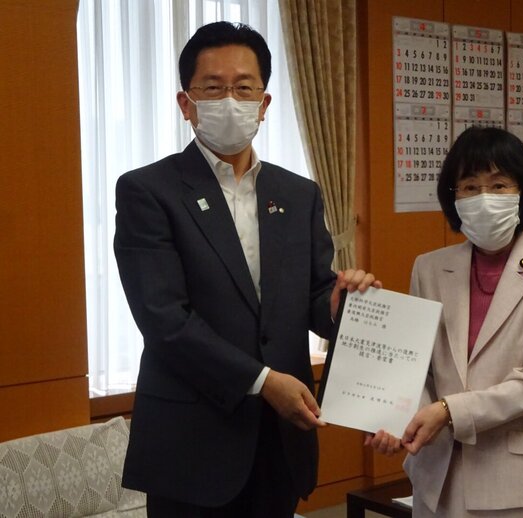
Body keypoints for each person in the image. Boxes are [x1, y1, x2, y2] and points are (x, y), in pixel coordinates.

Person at [114, 21, 380, 518]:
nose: (230, 100)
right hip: (192, 445)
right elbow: (164, 319)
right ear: (185, 103)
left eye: (244, 87)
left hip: (282, 441)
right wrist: (263, 381)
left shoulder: (298, 193)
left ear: (265, 102)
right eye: (212, 88)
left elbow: (315, 298)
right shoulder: (148, 191)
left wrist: (345, 302)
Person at [367, 126, 523, 517]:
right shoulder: (429, 267)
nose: (483, 198)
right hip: (437, 473)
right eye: (469, 186)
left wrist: (448, 411)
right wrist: (397, 417)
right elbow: (417, 366)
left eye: (499, 185)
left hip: (520, 479)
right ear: (454, 198)